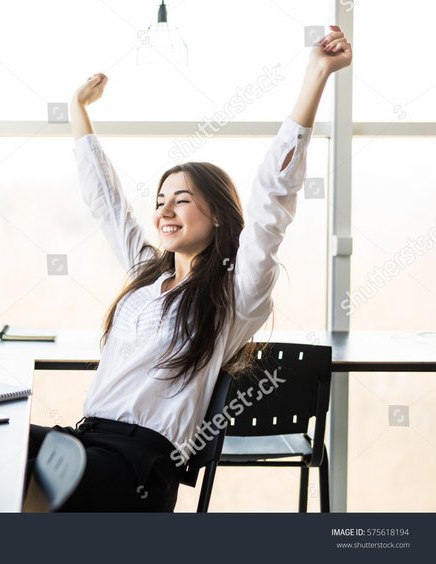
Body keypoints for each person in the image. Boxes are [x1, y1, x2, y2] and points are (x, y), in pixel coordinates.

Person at [25, 26, 352, 511]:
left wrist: (316, 75)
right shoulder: (146, 275)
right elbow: (106, 203)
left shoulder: (235, 293)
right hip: (84, 443)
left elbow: (272, 200)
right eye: (160, 202)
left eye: (182, 200)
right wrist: (78, 110)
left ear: (217, 213)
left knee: (10, 482)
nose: (165, 212)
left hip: (136, 467)